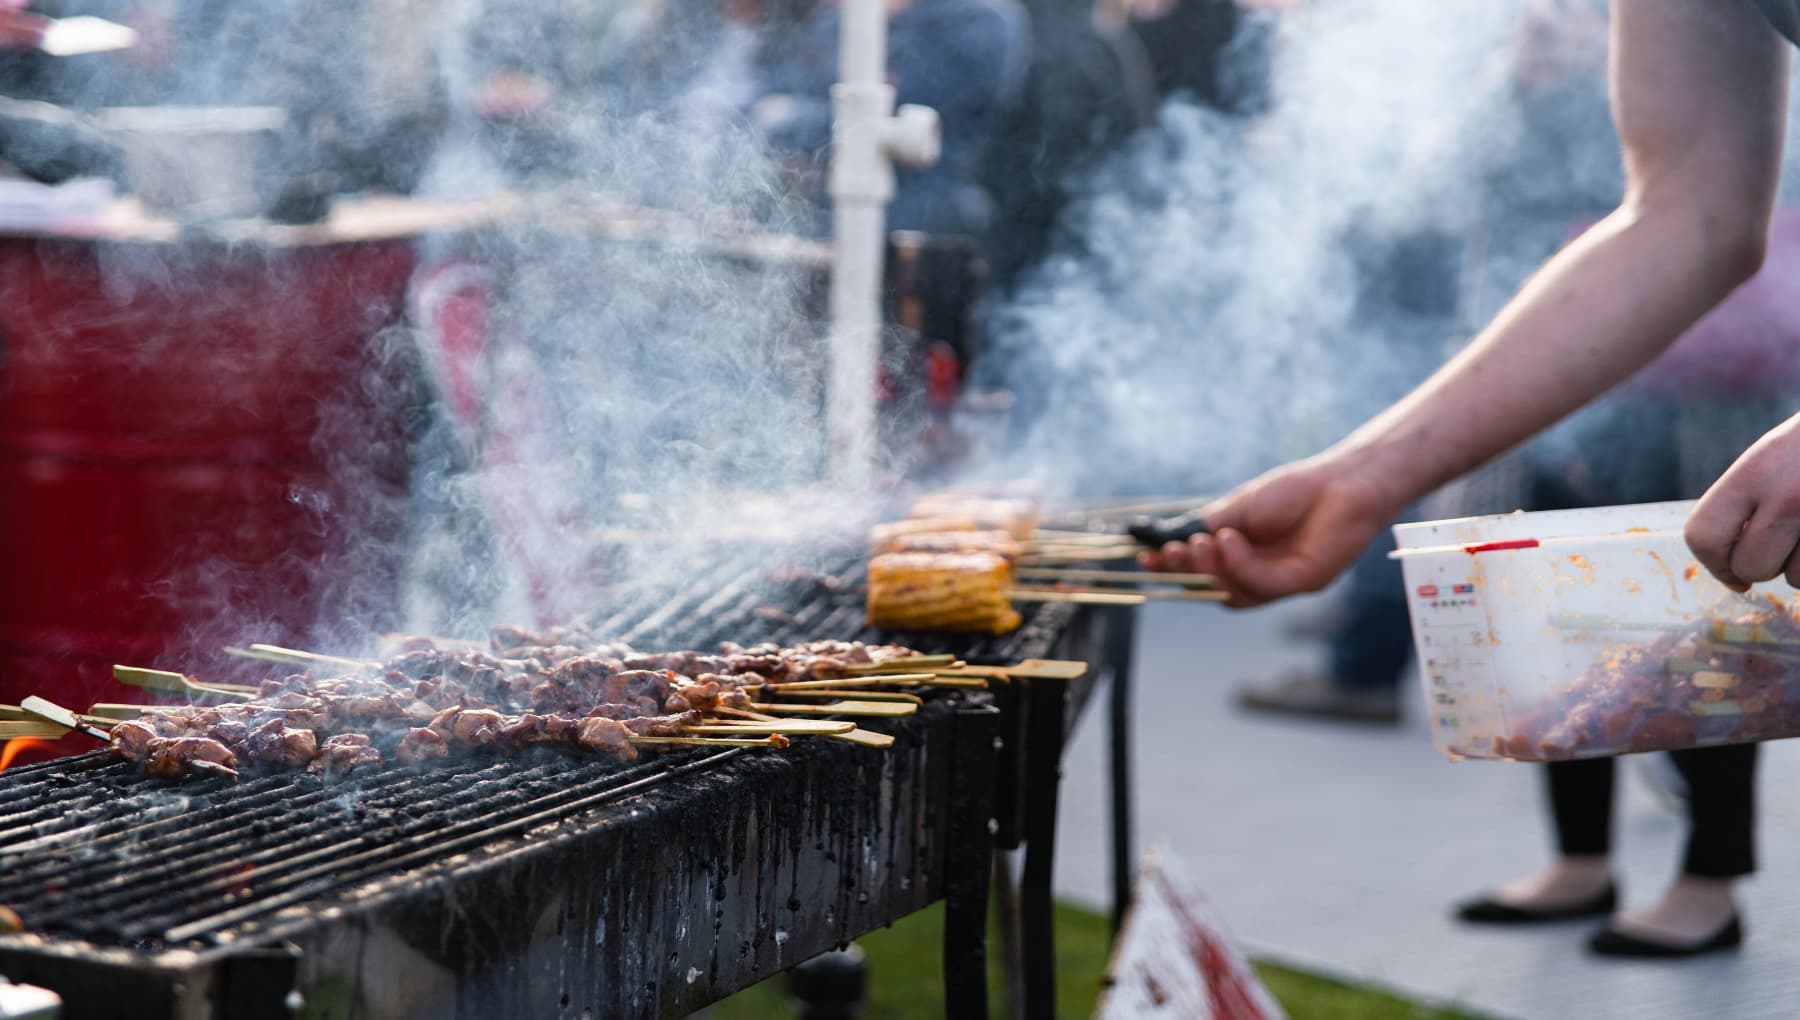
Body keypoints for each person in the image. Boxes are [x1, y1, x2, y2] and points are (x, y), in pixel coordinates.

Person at [1146, 0, 1800, 955]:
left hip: (1728, 396)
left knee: (1713, 638)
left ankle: (1710, 878)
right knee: (1583, 632)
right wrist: (1363, 478)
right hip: (1620, 394)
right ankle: (1583, 857)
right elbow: (1686, 215)